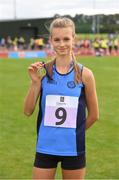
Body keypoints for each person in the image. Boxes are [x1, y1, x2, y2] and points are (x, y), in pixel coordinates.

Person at [24, 17, 99, 180]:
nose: (61, 44)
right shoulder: (43, 72)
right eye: (57, 39)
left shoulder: (85, 74)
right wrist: (35, 83)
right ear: (51, 40)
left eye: (66, 38)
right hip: (45, 147)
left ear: (74, 39)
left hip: (73, 148)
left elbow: (94, 115)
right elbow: (28, 111)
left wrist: (73, 131)